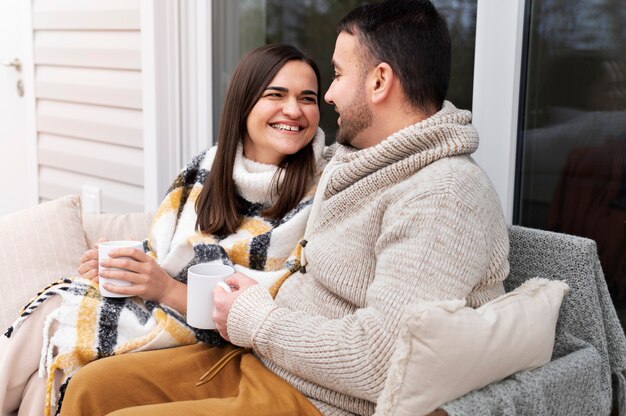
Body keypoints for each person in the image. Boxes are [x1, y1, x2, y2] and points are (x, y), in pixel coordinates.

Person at [60, 1, 510, 415]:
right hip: (269, 359)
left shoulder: (443, 194)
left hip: (324, 399)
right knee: (89, 388)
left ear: (379, 82)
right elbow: (256, 183)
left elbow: (384, 361)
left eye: (336, 75)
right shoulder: (361, 163)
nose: (329, 95)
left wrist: (256, 319)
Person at [0, 43, 326, 416]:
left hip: (218, 342)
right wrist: (127, 265)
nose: (294, 110)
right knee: (51, 347)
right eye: (277, 95)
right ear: (244, 101)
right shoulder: (208, 165)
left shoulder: (320, 191)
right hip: (163, 306)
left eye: (307, 98)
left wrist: (162, 287)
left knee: (58, 335)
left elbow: (264, 307)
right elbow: (165, 251)